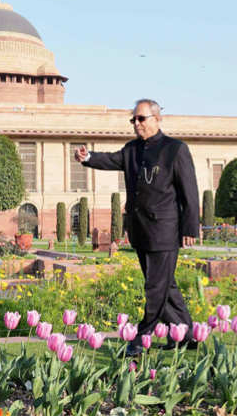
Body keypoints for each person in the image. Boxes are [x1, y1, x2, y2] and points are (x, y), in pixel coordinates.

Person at [74, 99, 199, 355]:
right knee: (166, 287)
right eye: (134, 120)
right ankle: (187, 334)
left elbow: (190, 192)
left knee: (155, 287)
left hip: (165, 230)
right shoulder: (132, 150)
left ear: (156, 118)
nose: (136, 124)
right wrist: (88, 158)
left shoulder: (175, 149)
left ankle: (141, 338)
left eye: (141, 119)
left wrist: (190, 227)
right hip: (140, 230)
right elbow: (111, 160)